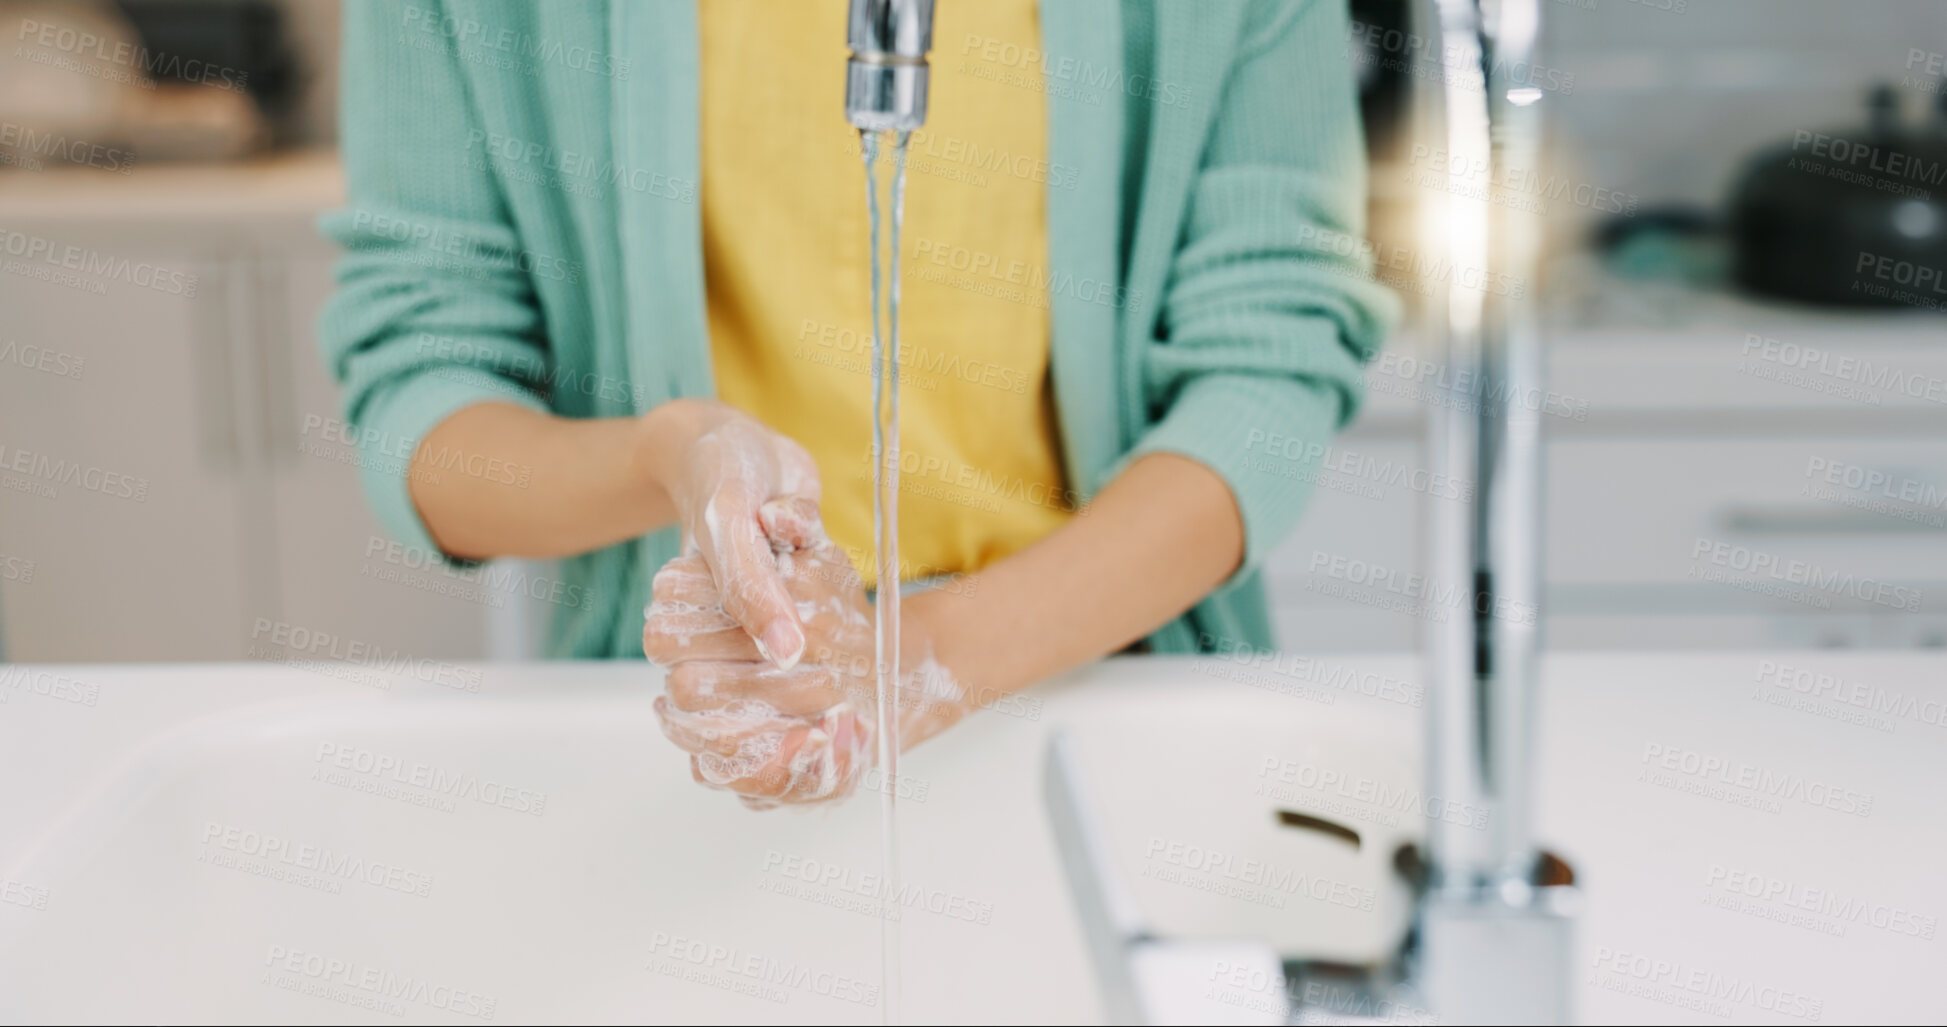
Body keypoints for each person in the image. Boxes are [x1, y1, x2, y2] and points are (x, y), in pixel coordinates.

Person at [320, 0, 1395, 809]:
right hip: (701, 729)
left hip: (1105, 699)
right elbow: (425, 395)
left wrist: (920, 657)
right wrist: (669, 456)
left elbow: (1266, 374)